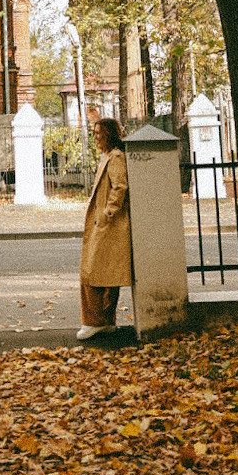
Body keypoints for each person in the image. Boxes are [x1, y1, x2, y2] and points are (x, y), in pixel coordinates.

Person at [77, 116, 133, 341]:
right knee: (106, 273)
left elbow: (120, 187)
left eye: (99, 133)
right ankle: (106, 321)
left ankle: (94, 322)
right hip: (106, 225)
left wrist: (108, 213)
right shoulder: (109, 156)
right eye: (94, 132)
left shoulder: (116, 157)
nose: (96, 136)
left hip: (108, 224)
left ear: (109, 134)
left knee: (92, 273)